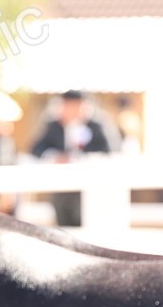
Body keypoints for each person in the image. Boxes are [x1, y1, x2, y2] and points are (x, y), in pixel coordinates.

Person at [30, 89, 110, 226]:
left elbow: (108, 150)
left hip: (89, 184)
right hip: (60, 185)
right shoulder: (53, 126)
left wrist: (80, 158)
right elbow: (36, 148)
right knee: (63, 223)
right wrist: (55, 156)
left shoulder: (96, 126)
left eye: (76, 106)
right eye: (68, 106)